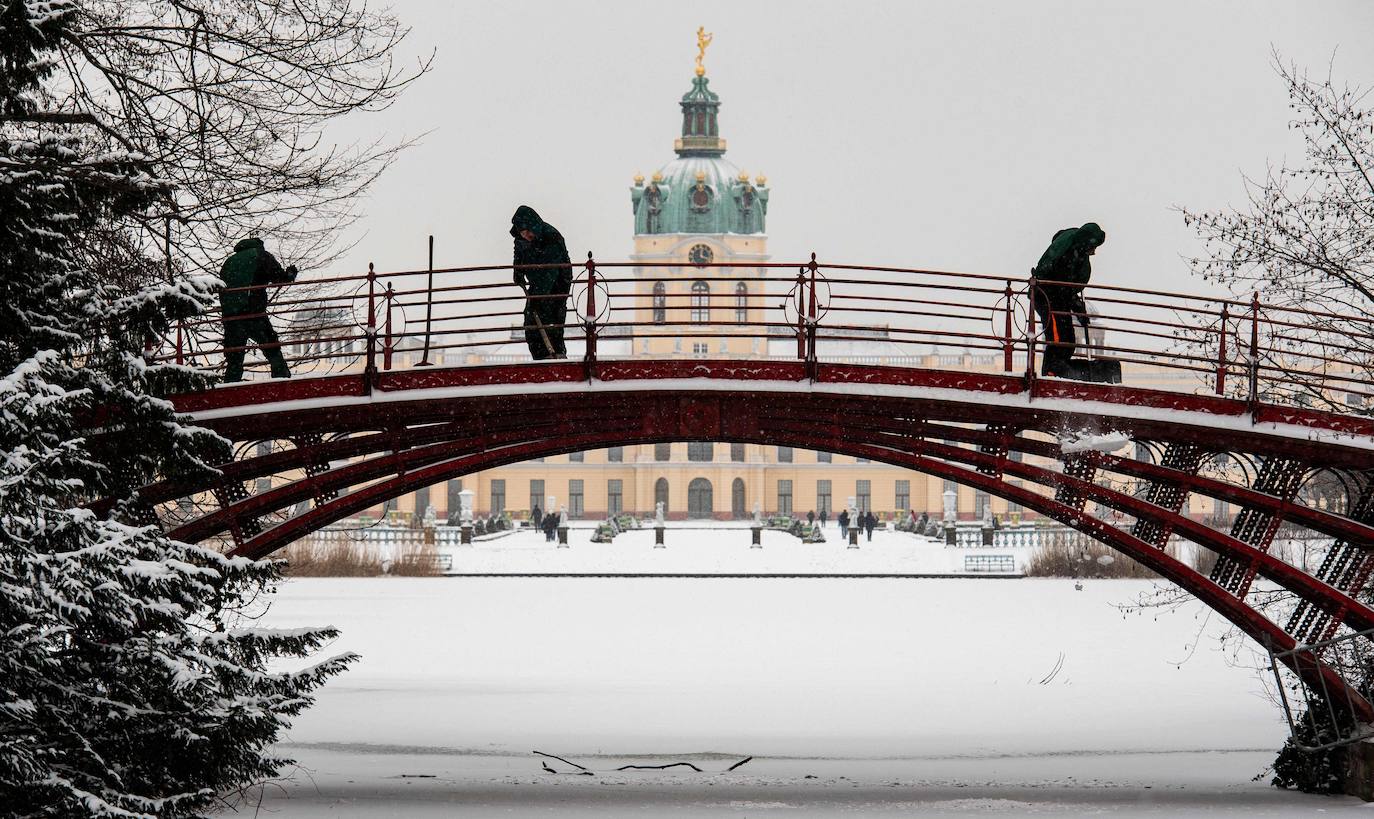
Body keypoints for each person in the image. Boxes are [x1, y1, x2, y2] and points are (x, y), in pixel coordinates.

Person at [1030, 222, 1105, 378]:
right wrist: (1076, 304)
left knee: (1068, 339)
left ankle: (1057, 371)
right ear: (1086, 242)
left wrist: (1078, 308)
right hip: (1047, 297)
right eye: (1093, 247)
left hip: (1058, 298)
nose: (1094, 252)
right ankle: (1051, 374)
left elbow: (1067, 288)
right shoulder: (1066, 253)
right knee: (1058, 339)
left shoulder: (1077, 253)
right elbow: (1062, 285)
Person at [219, 237, 298, 382]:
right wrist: (290, 274)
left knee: (234, 358)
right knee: (272, 347)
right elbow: (280, 278)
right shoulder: (261, 255)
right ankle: (282, 382)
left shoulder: (229, 261)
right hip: (253, 312)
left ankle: (230, 389)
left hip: (230, 317)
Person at [511, 205, 573, 360]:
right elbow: (519, 253)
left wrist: (537, 299)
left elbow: (549, 273)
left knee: (552, 323)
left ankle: (556, 357)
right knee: (532, 325)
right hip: (537, 286)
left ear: (533, 226)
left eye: (527, 231)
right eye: (522, 233)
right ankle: (541, 359)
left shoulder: (551, 238)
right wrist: (518, 271)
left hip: (557, 286)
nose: (525, 235)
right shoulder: (521, 238)